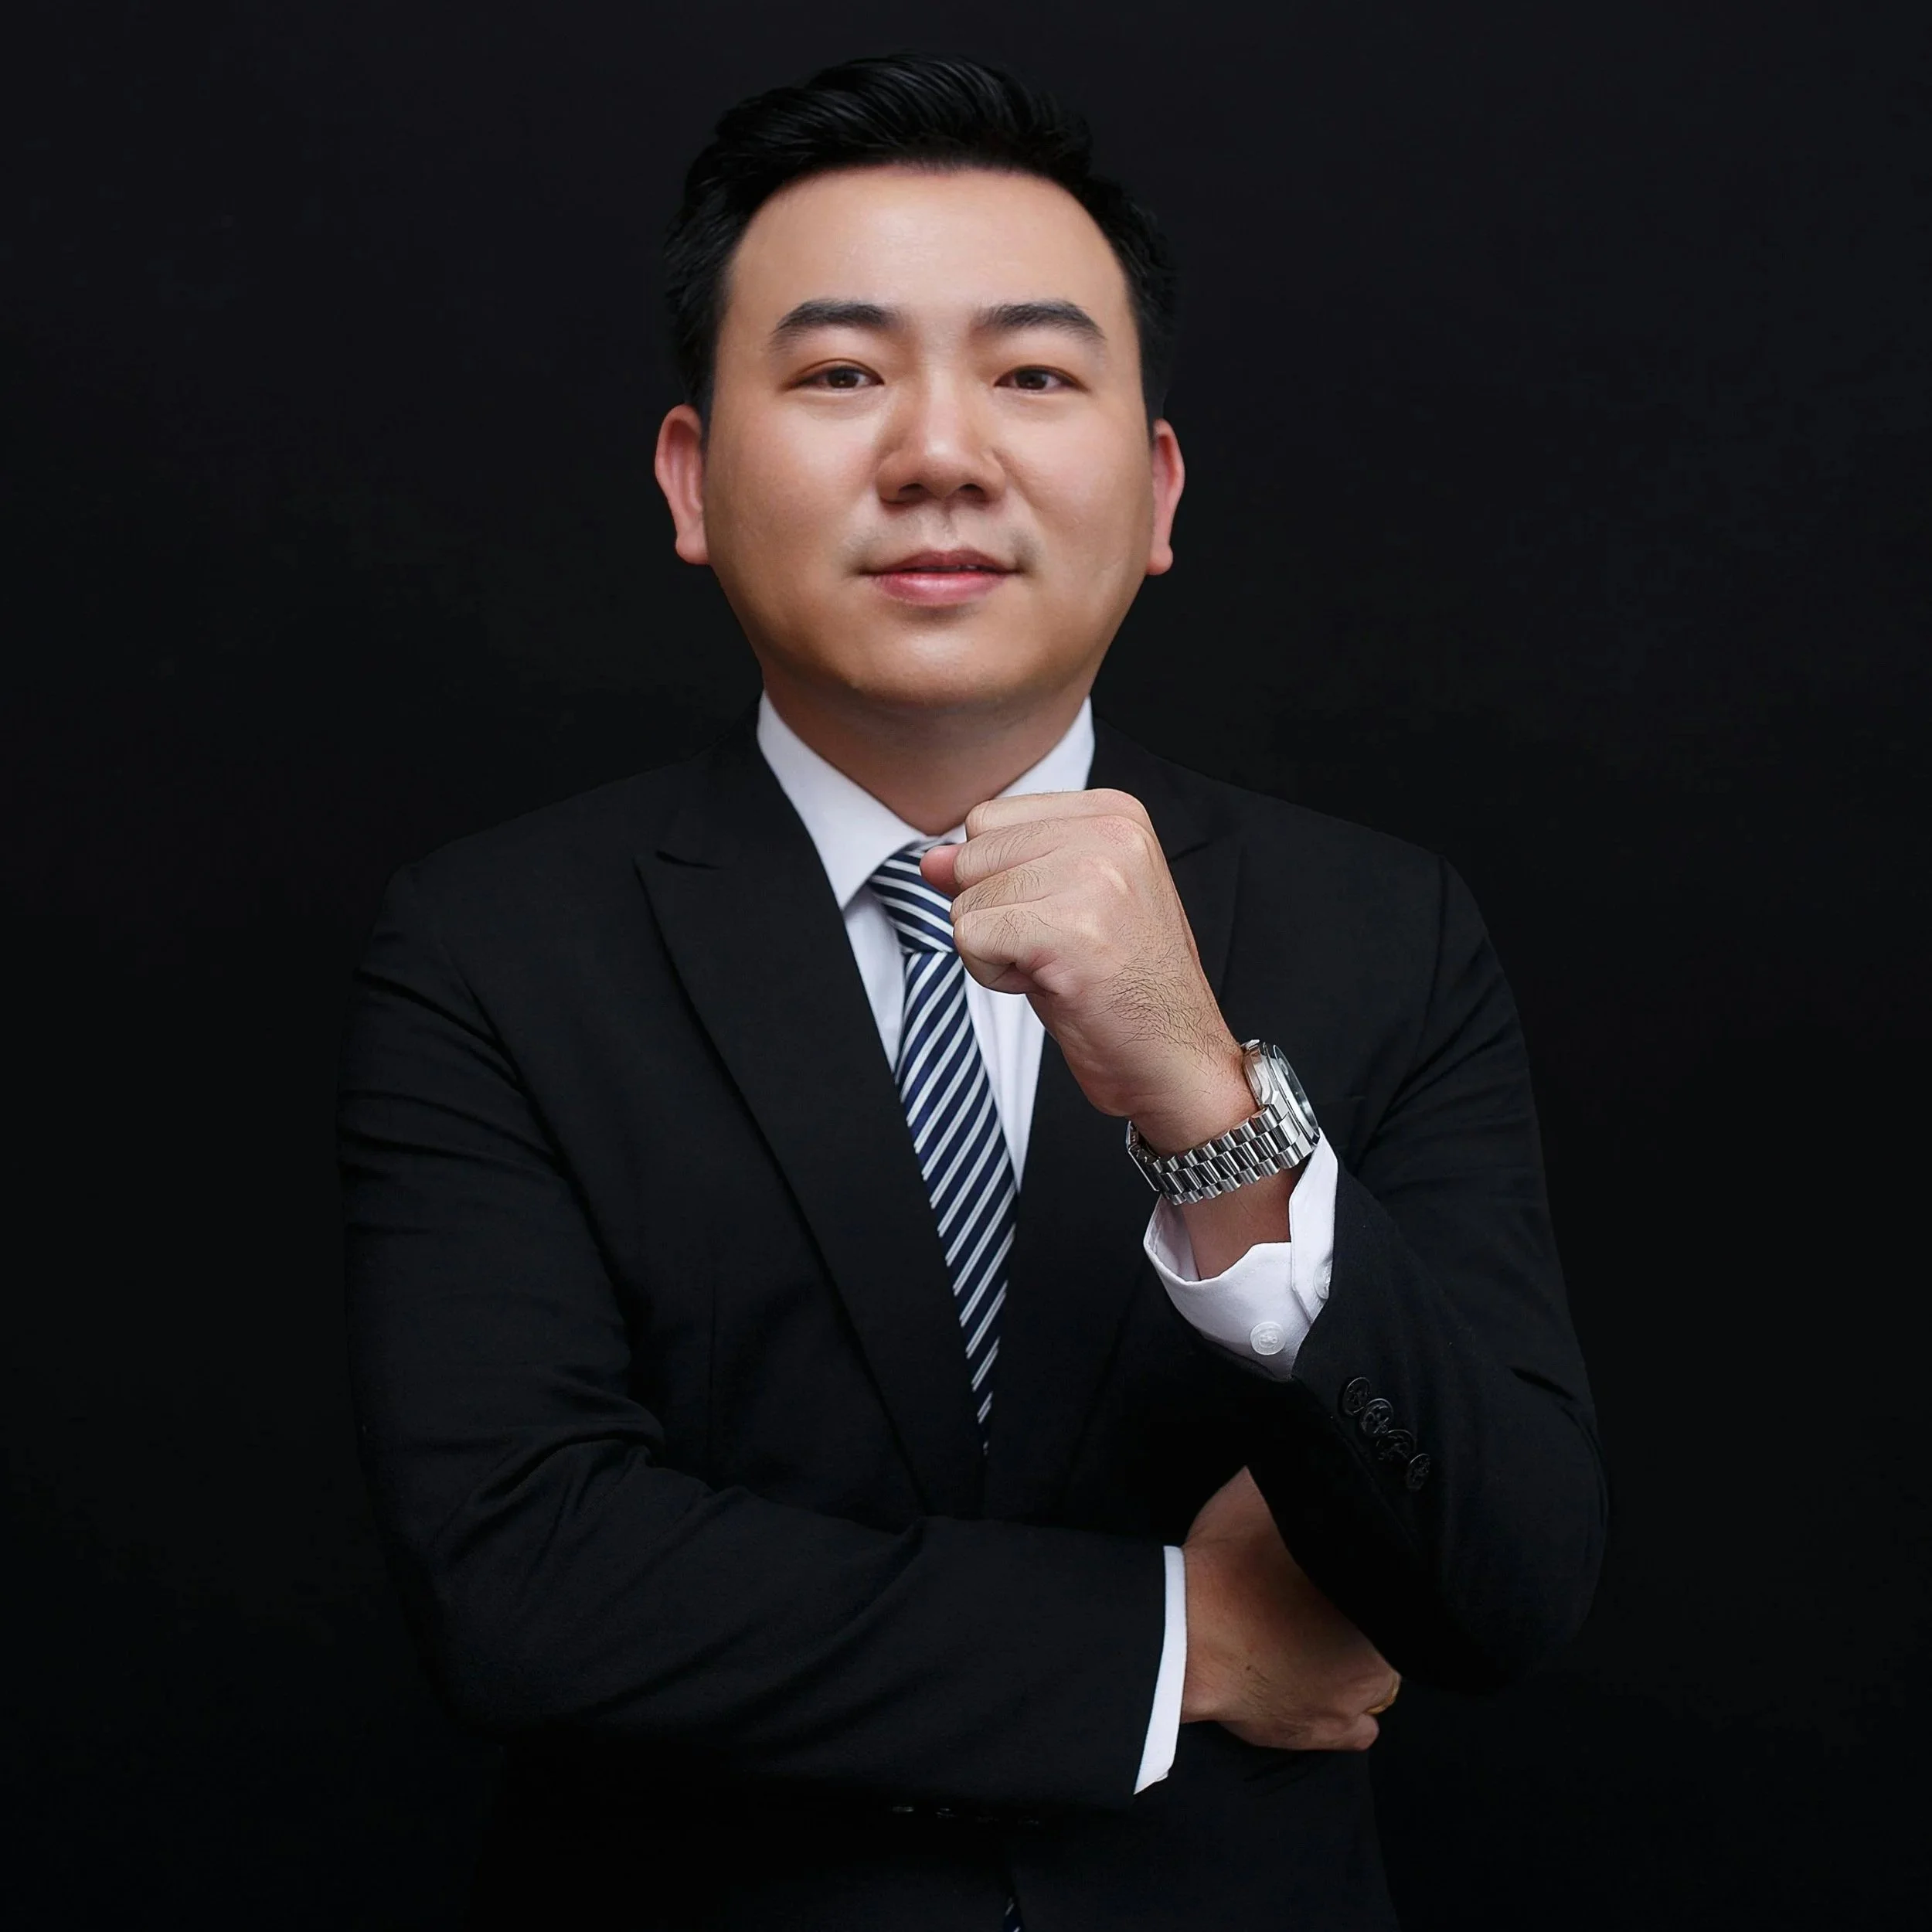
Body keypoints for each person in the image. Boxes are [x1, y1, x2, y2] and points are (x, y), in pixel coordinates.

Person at [338, 52, 1606, 1932]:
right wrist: (1176, 1643)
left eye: (1032, 372)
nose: (940, 450)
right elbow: (521, 1580)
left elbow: (1496, 1573)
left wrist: (1197, 1091)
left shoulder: (1380, 928)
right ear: (692, 473)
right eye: (841, 373)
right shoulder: (497, 946)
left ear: (1155, 487)